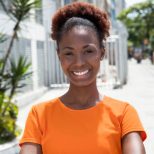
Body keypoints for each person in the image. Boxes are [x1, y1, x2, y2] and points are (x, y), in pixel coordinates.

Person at [19, 2, 147, 154]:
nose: (79, 62)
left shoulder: (124, 114)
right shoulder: (39, 115)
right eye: (69, 53)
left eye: (88, 51)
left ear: (102, 52)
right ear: (59, 55)